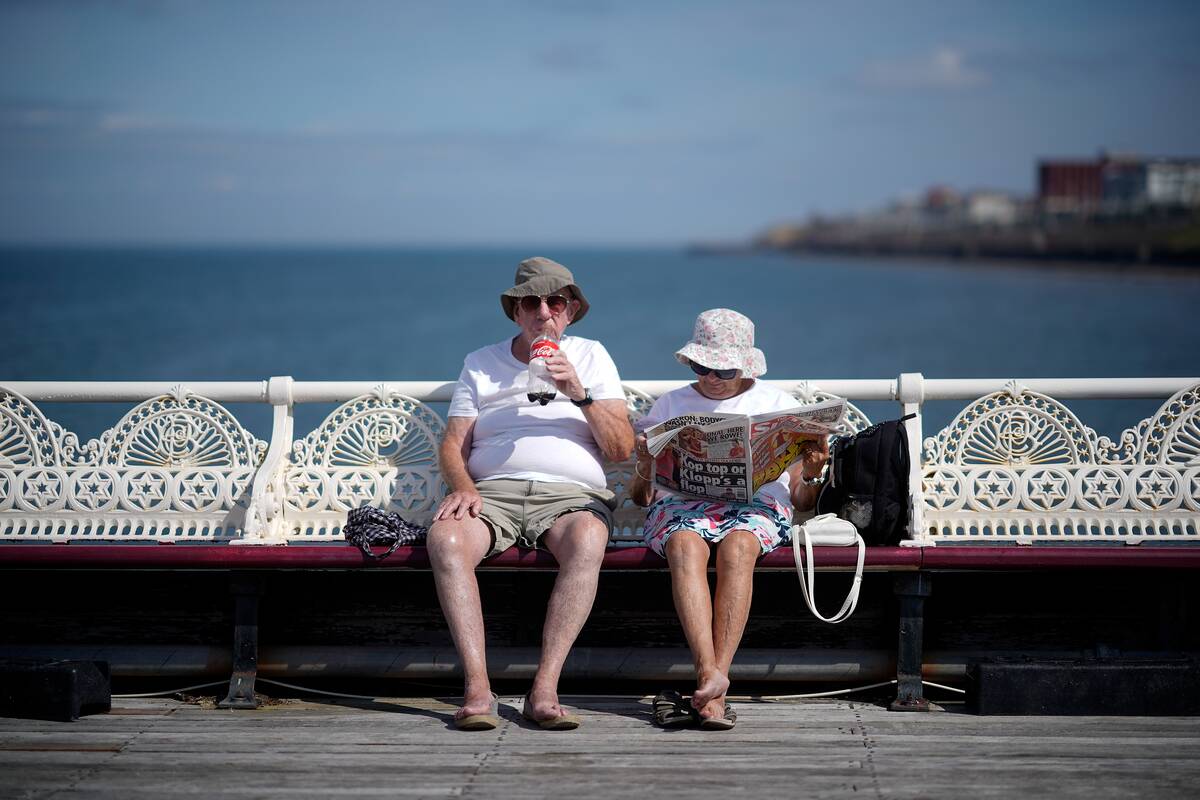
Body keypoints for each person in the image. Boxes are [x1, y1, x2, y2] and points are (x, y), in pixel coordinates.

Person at [428, 256, 634, 731]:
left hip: (571, 496)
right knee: (445, 540)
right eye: (531, 302)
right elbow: (453, 446)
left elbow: (621, 448)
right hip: (494, 493)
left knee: (587, 539)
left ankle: (544, 688)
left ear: (570, 310)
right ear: (516, 312)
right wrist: (463, 488)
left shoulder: (592, 355)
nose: (543, 312)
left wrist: (578, 392)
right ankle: (477, 689)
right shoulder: (481, 363)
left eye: (555, 301)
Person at [629, 308, 828, 730]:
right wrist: (646, 463)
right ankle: (711, 679)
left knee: (740, 546)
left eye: (723, 369)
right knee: (683, 544)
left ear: (745, 365)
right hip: (682, 504)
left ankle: (714, 683)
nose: (711, 378)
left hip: (755, 507)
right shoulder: (671, 404)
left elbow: (802, 500)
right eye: (703, 367)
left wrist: (811, 470)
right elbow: (643, 497)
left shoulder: (777, 405)